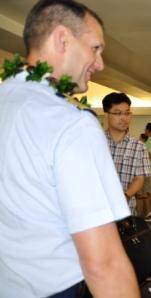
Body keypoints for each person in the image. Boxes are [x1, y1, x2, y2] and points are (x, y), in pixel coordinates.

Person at [0, 0, 139, 297]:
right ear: (62, 39)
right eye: (95, 48)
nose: (100, 64)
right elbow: (104, 264)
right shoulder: (71, 124)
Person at [102, 92, 150, 215]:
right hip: (97, 210)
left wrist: (126, 196)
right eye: (118, 113)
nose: (124, 118)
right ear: (106, 115)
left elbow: (139, 179)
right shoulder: (95, 143)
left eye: (127, 113)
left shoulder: (139, 147)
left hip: (126, 211)